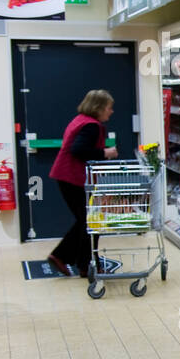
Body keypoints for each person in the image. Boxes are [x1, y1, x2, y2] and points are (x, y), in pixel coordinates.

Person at [48, 89, 118, 277]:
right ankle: (80, 263)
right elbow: (78, 150)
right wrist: (106, 153)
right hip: (73, 178)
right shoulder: (92, 126)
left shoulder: (80, 120)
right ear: (99, 107)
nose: (111, 112)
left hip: (67, 177)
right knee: (91, 222)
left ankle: (74, 260)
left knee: (86, 220)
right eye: (109, 108)